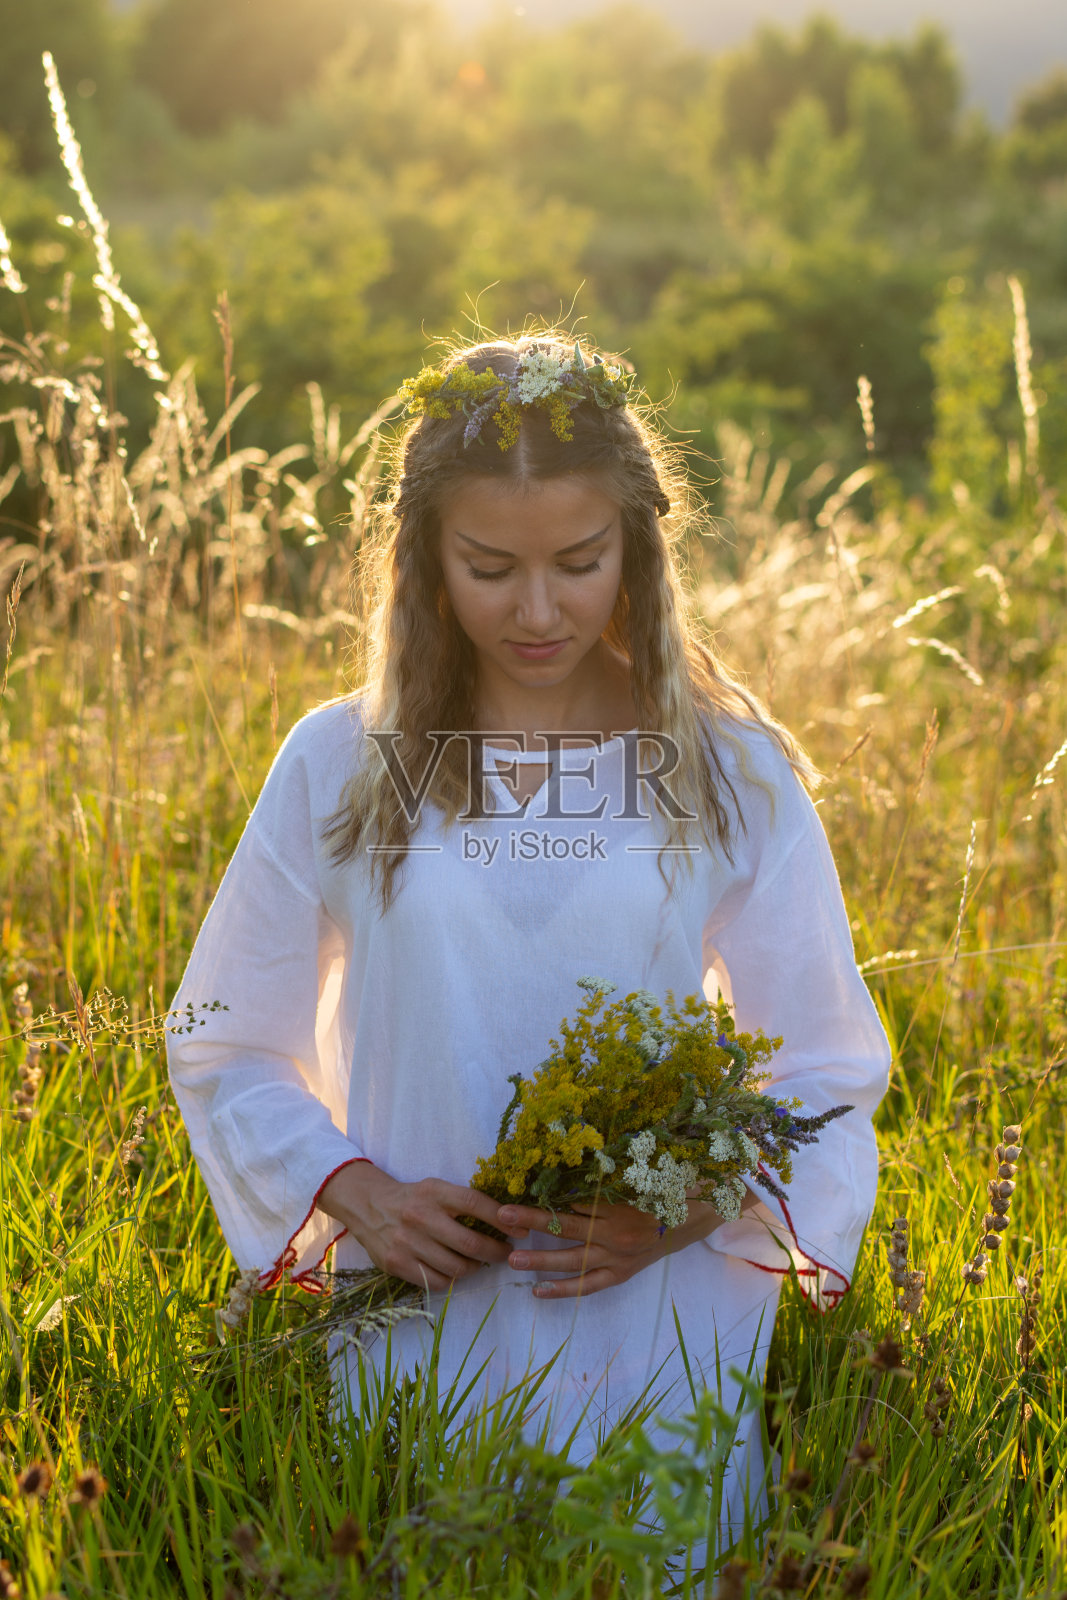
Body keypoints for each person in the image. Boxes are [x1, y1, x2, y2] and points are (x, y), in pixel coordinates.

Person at [166, 333, 891, 1555]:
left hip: (657, 1318)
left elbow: (823, 1063)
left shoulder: (728, 770)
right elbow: (221, 1036)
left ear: (636, 549)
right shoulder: (339, 763)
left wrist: (680, 1212)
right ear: (423, 558)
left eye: (579, 561)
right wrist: (359, 1195)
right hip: (421, 1316)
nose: (539, 610)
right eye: (490, 567)